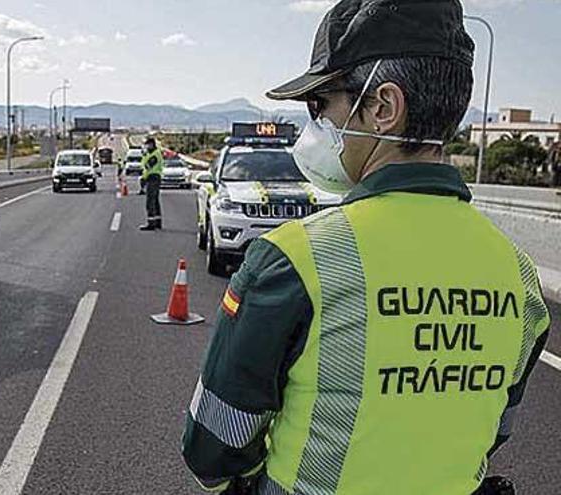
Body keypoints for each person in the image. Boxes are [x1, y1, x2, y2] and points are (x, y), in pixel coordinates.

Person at [181, 1, 551, 494]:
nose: (316, 126)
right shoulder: (519, 276)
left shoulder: (293, 260)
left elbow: (212, 446)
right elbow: (493, 430)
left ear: (383, 108)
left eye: (321, 106)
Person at [139, 137, 164, 230]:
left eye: (148, 145)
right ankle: (157, 222)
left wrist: (145, 156)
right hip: (153, 178)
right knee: (155, 201)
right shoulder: (152, 153)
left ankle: (151, 223)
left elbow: (147, 166)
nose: (147, 147)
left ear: (152, 144)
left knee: (150, 202)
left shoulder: (155, 154)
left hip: (153, 178)